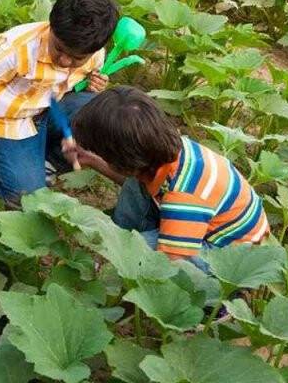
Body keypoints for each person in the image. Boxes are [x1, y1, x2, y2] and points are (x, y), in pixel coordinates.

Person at [71, 87, 271, 269]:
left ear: (124, 160)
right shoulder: (164, 152)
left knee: (139, 252)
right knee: (135, 187)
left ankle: (115, 253)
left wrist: (125, 260)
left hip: (230, 258)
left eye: (102, 154)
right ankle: (116, 236)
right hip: (205, 226)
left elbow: (170, 263)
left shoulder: (184, 195)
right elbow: (137, 180)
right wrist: (94, 161)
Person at [0, 0, 118, 205]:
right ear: (51, 27)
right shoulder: (18, 48)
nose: (65, 61)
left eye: (76, 58)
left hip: (48, 109)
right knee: (26, 198)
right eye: (59, 49)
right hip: (7, 121)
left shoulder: (93, 51)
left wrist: (92, 87)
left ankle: (42, 158)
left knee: (104, 111)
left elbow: (76, 90)